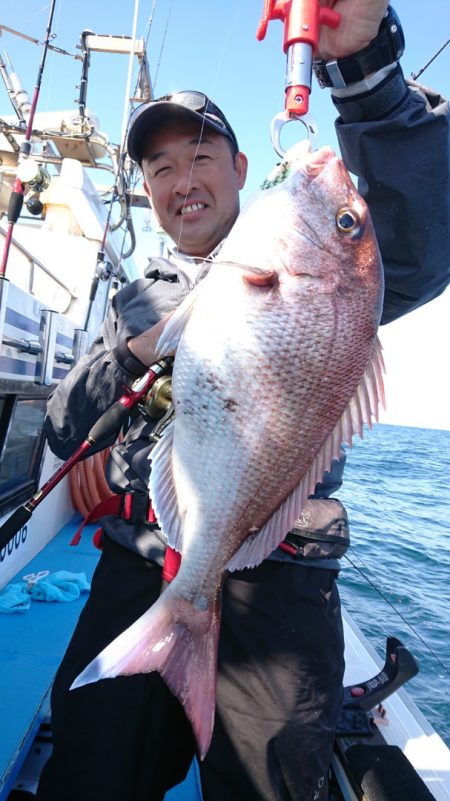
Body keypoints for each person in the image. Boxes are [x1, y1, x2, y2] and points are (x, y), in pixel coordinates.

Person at [36, 2, 450, 800]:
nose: (181, 181)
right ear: (148, 193)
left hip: (280, 579)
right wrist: (135, 352)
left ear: (239, 166)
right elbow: (60, 424)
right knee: (89, 770)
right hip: (143, 564)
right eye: (159, 170)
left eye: (199, 156)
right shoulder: (134, 301)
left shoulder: (315, 276)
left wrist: (364, 73)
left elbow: (418, 238)